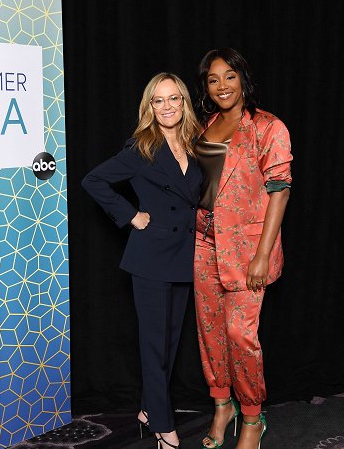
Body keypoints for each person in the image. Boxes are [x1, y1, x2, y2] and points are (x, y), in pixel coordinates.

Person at [82, 73, 202, 449]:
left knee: (169, 344)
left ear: (184, 103)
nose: (167, 107)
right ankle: (164, 428)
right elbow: (93, 180)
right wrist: (132, 215)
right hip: (150, 257)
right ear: (149, 106)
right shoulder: (141, 147)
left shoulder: (197, 145)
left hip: (184, 255)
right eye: (158, 100)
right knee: (153, 344)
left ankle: (149, 408)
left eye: (174, 99)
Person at [193, 48, 292, 449]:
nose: (222, 86)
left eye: (229, 76)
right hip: (203, 243)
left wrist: (263, 254)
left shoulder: (268, 127)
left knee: (239, 333)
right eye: (213, 79)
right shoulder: (205, 125)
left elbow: (279, 191)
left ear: (243, 79)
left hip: (249, 249)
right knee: (210, 332)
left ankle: (252, 414)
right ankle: (222, 406)